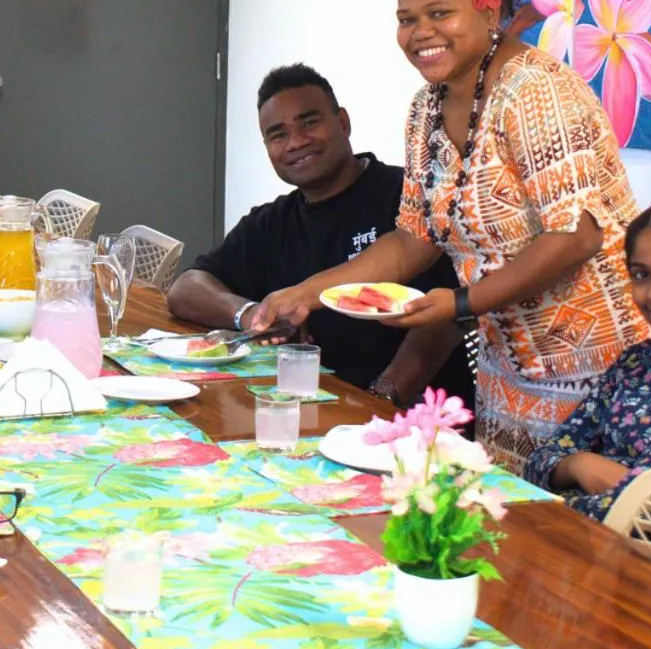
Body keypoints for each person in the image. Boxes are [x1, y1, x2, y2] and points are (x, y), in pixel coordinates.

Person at [251, 0, 648, 474]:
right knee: (507, 533)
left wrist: (460, 303)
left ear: (488, 7)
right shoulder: (426, 110)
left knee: (574, 544)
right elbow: (413, 239)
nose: (420, 34)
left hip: (595, 367)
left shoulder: (536, 92)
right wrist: (304, 295)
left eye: (439, 13)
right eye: (406, 18)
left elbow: (576, 235)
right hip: (508, 369)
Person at [167, 63, 467, 399]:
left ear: (343, 122)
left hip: (409, 421)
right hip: (309, 403)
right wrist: (250, 313)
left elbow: (444, 321)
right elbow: (185, 289)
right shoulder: (271, 222)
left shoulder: (408, 197)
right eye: (278, 134)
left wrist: (381, 399)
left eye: (309, 122)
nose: (295, 142)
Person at [524, 197, 651, 520]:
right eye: (641, 274)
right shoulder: (636, 364)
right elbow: (541, 462)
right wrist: (580, 464)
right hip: (577, 550)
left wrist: (560, 498)